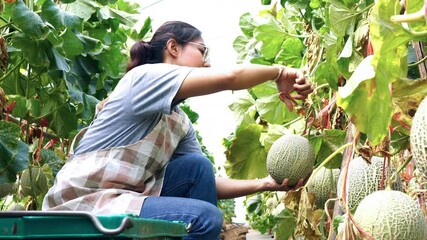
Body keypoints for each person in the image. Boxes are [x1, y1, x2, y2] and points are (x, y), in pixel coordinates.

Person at [42, 21, 313, 239]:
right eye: (202, 51)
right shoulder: (143, 78)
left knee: (197, 166)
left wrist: (264, 184)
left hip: (123, 200)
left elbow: (207, 183)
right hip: (82, 203)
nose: (206, 62)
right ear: (173, 47)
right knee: (205, 217)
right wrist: (279, 73)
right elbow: (230, 77)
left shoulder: (179, 121)